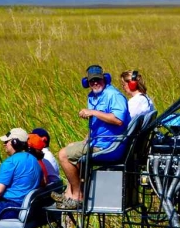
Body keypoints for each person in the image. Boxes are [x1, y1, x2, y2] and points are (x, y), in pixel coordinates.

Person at [54, 65, 129, 208]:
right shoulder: (92, 96)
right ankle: (68, 193)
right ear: (87, 83)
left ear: (104, 79)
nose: (95, 83)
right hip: (98, 141)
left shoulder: (113, 95)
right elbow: (97, 124)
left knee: (63, 155)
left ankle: (77, 197)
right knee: (72, 149)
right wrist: (86, 139)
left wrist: (93, 112)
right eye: (92, 81)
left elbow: (118, 120)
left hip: (110, 145)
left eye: (98, 80)